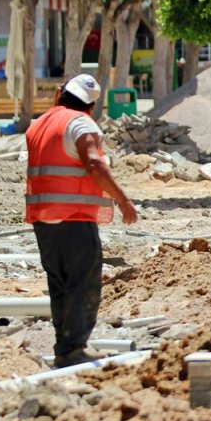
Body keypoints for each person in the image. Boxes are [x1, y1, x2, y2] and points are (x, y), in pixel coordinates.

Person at [25, 74, 138, 368]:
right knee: (83, 281)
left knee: (60, 282)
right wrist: (123, 199)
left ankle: (64, 348)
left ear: (61, 94)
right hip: (73, 216)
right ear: (90, 104)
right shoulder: (81, 123)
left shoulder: (39, 124)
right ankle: (74, 348)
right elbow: (94, 163)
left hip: (43, 217)